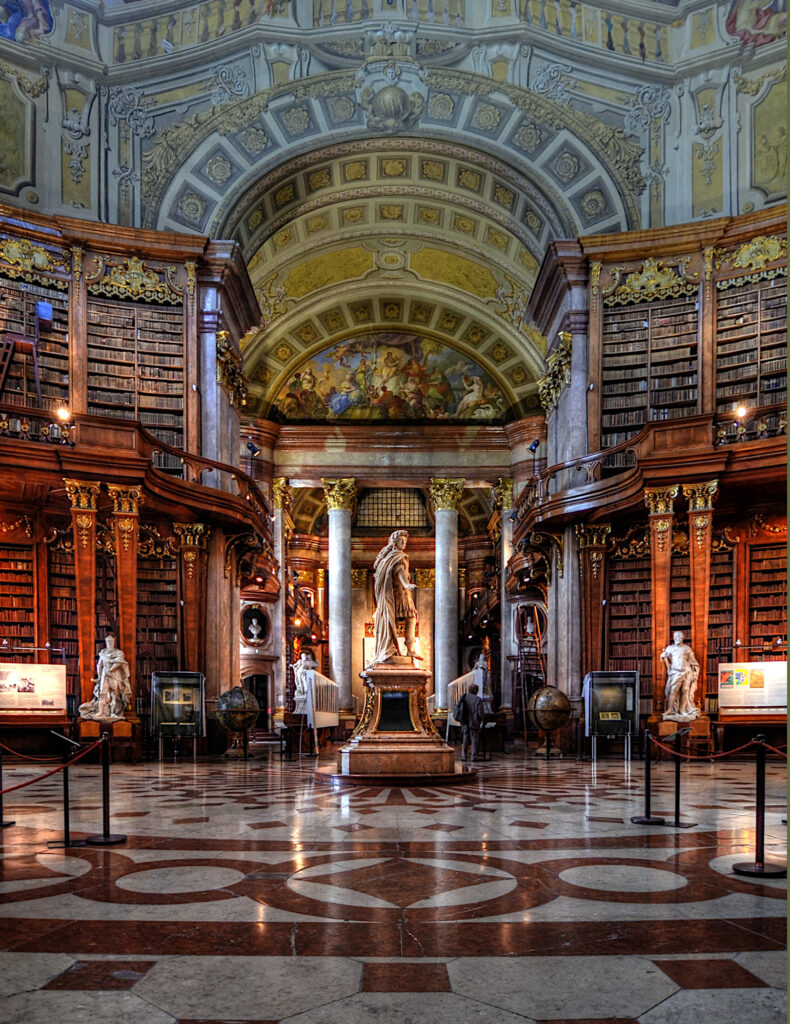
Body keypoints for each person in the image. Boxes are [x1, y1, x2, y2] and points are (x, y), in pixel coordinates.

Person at [367, 529, 419, 667]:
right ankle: (409, 650)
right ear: (394, 543)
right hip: (399, 595)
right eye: (401, 541)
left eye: (405, 541)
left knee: (402, 620)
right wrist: (406, 584)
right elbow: (400, 571)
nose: (403, 544)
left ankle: (408, 650)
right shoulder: (398, 557)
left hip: (397, 594)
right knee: (408, 619)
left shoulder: (388, 559)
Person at [79, 634, 132, 721]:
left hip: (115, 674)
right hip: (105, 674)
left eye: (111, 641)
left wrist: (111, 670)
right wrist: (99, 676)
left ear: (114, 642)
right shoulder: (103, 653)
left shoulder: (119, 653)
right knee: (102, 693)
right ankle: (101, 711)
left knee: (114, 694)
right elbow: (99, 665)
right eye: (108, 641)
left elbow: (119, 663)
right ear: (106, 642)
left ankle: (113, 713)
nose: (110, 643)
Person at [660, 630, 700, 718]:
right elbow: (664, 657)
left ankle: (682, 710)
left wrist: (694, 672)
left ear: (682, 638)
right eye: (675, 637)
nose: (677, 638)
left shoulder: (687, 648)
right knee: (673, 690)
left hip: (686, 671)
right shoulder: (670, 648)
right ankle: (670, 710)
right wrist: (663, 656)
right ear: (673, 638)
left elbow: (692, 661)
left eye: (679, 637)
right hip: (675, 671)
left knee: (685, 690)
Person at [457, 683, 486, 762]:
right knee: (474, 739)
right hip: (474, 722)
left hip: (464, 721)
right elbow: (480, 713)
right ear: (476, 691)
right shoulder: (478, 700)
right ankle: (473, 756)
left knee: (465, 738)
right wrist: (483, 719)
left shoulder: (464, 697)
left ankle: (464, 756)